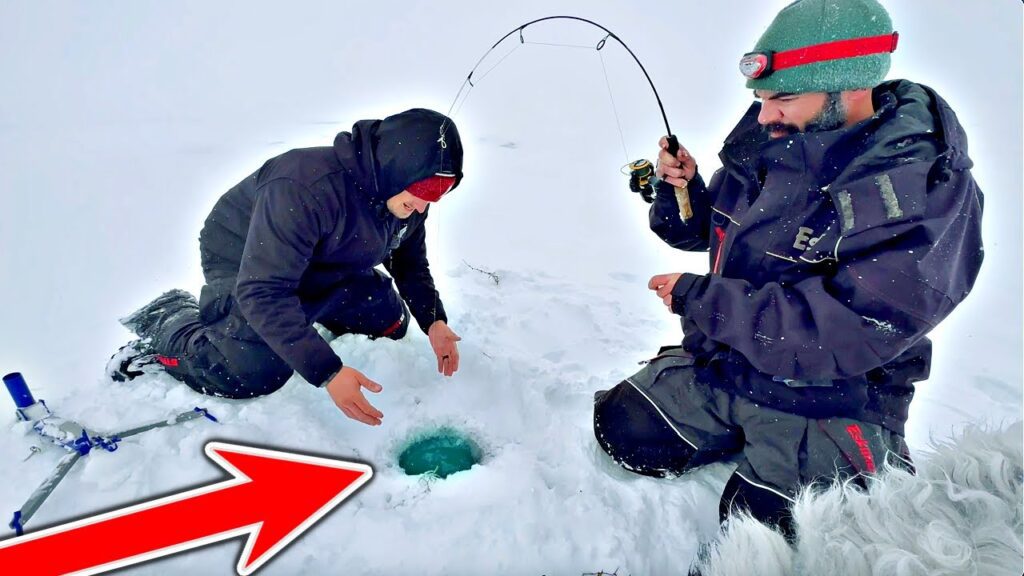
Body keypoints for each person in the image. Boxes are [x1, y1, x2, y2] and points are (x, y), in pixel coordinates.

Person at [594, 0, 984, 539]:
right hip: (737, 358)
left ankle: (847, 454)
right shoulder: (772, 136)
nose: (762, 115)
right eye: (759, 97)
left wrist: (702, 299)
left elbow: (839, 335)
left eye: (781, 97)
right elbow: (719, 234)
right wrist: (683, 190)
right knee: (624, 428)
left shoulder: (923, 192)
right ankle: (739, 425)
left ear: (848, 89)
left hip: (831, 392)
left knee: (774, 544)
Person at [108, 108, 465, 427]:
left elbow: (408, 260)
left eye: (441, 192)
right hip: (248, 261)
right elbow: (263, 292)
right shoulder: (302, 186)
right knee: (253, 372)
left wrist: (434, 319)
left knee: (390, 323)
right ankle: (169, 318)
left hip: (326, 263)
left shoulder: (406, 196)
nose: (426, 205)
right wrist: (328, 371)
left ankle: (305, 318)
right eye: (426, 189)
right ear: (395, 166)